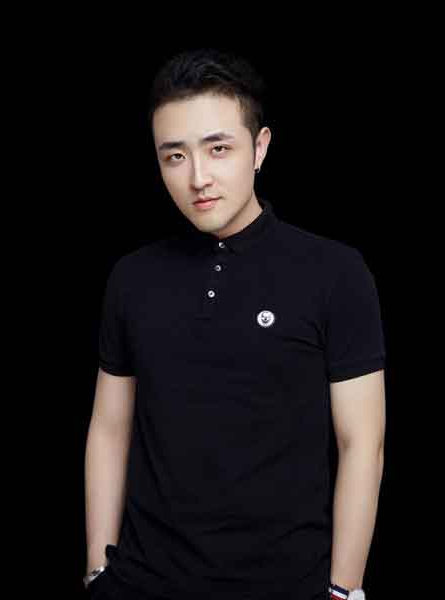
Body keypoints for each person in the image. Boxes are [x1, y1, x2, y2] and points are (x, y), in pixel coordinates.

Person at [84, 48, 386, 600]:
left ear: (260, 148)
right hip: (143, 583)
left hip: (286, 585)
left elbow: (362, 441)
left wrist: (344, 590)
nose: (198, 177)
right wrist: (97, 571)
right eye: (175, 156)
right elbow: (109, 427)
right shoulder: (132, 277)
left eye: (218, 148)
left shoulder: (334, 272)